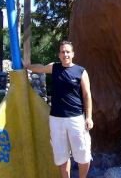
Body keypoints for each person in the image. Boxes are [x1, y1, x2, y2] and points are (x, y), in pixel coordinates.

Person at [25, 40, 93, 178]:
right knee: (61, 156)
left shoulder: (81, 71)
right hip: (56, 119)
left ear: (72, 54)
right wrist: (27, 66)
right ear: (59, 54)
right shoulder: (54, 67)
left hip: (76, 119)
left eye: (68, 51)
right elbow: (41, 68)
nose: (65, 54)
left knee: (83, 155)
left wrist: (89, 117)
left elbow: (87, 95)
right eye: (63, 52)